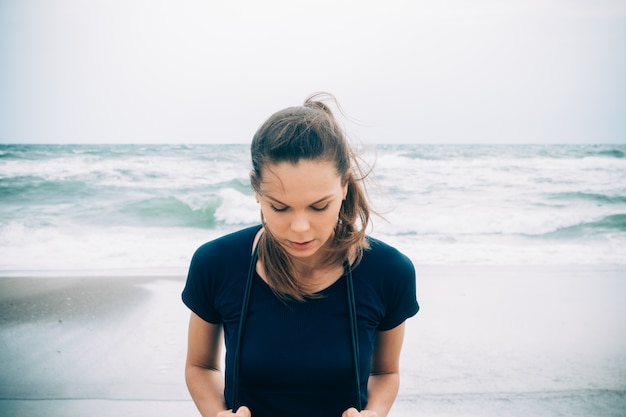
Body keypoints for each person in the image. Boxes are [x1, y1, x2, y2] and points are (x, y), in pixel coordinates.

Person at [182, 93, 419, 417]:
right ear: (256, 190)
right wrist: (216, 413)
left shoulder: (389, 272)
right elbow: (200, 365)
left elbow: (385, 373)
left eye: (319, 206)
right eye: (279, 207)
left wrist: (375, 413)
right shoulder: (216, 264)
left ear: (345, 186)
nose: (300, 228)